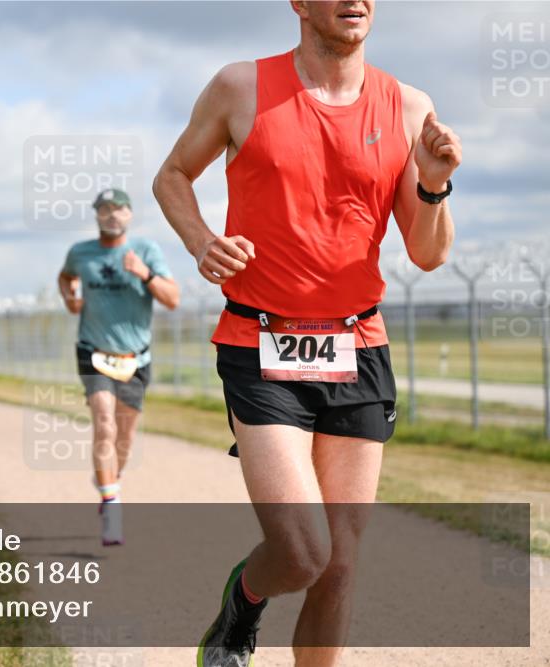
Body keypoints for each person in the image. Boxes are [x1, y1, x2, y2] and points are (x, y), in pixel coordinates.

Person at [153, 2, 459, 666]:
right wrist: (202, 240)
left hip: (358, 346)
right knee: (302, 551)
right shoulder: (241, 87)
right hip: (259, 341)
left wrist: (433, 187)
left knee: (340, 565)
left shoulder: (408, 106)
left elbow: (429, 252)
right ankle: (243, 600)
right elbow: (172, 175)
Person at [58, 188, 180, 546]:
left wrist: (144, 274)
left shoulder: (146, 251)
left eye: (119, 209)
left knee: (124, 437)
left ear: (129, 215)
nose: (112, 215)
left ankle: (110, 480)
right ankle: (111, 506)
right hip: (93, 351)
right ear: (96, 215)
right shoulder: (80, 253)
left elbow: (173, 299)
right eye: (105, 209)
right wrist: (70, 298)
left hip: (135, 357)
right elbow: (65, 277)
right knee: (104, 422)